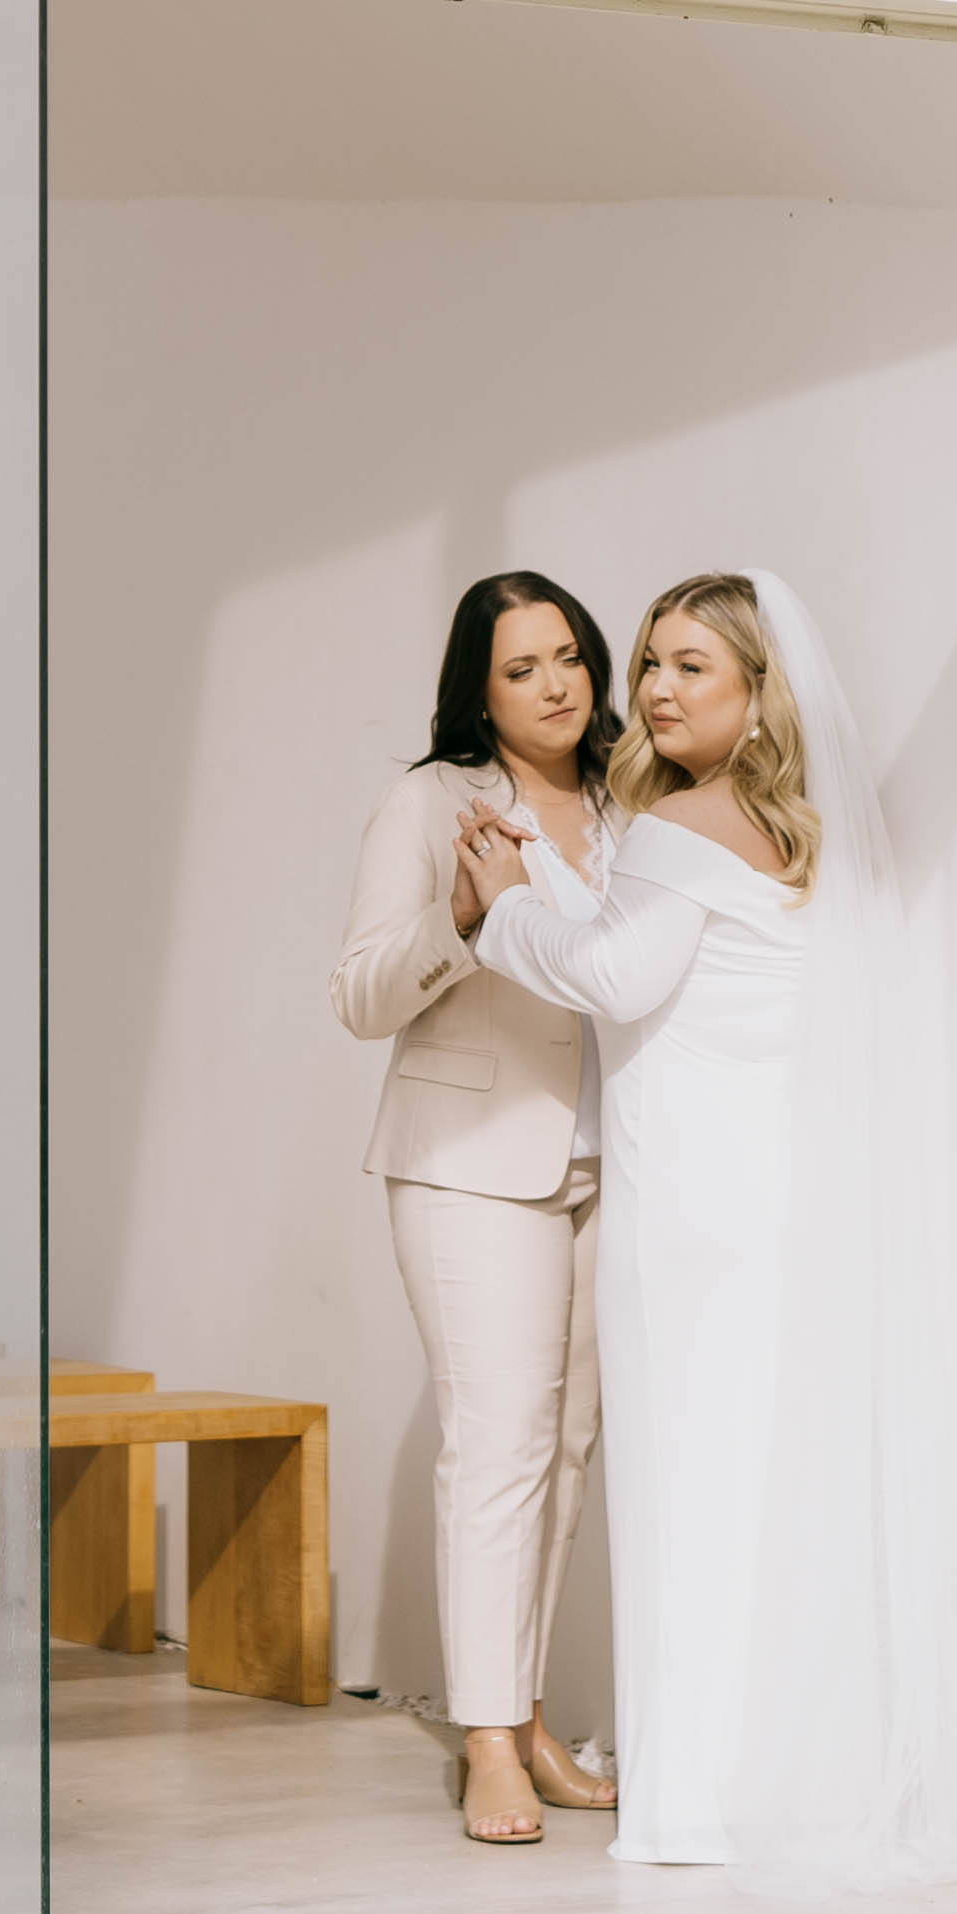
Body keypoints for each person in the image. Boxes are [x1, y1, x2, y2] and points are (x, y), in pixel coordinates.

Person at [466, 567, 957, 1887]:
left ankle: (696, 1800)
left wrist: (498, 912)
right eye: (649, 661)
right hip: (775, 1207)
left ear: (758, 691)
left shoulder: (679, 821)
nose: (651, 687)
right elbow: (656, 950)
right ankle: (783, 1773)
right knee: (767, 1485)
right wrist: (550, 872)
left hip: (688, 1215)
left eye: (691, 664)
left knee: (687, 1488)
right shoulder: (793, 833)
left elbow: (609, 974)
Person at [332, 573, 626, 1847]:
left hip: (612, 1161)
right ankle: (486, 1743)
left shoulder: (633, 794)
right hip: (465, 1160)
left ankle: (530, 1713)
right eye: (522, 668)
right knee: (497, 1442)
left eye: (568, 656)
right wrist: (458, 910)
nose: (556, 685)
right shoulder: (433, 801)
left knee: (564, 1455)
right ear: (479, 687)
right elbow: (357, 994)